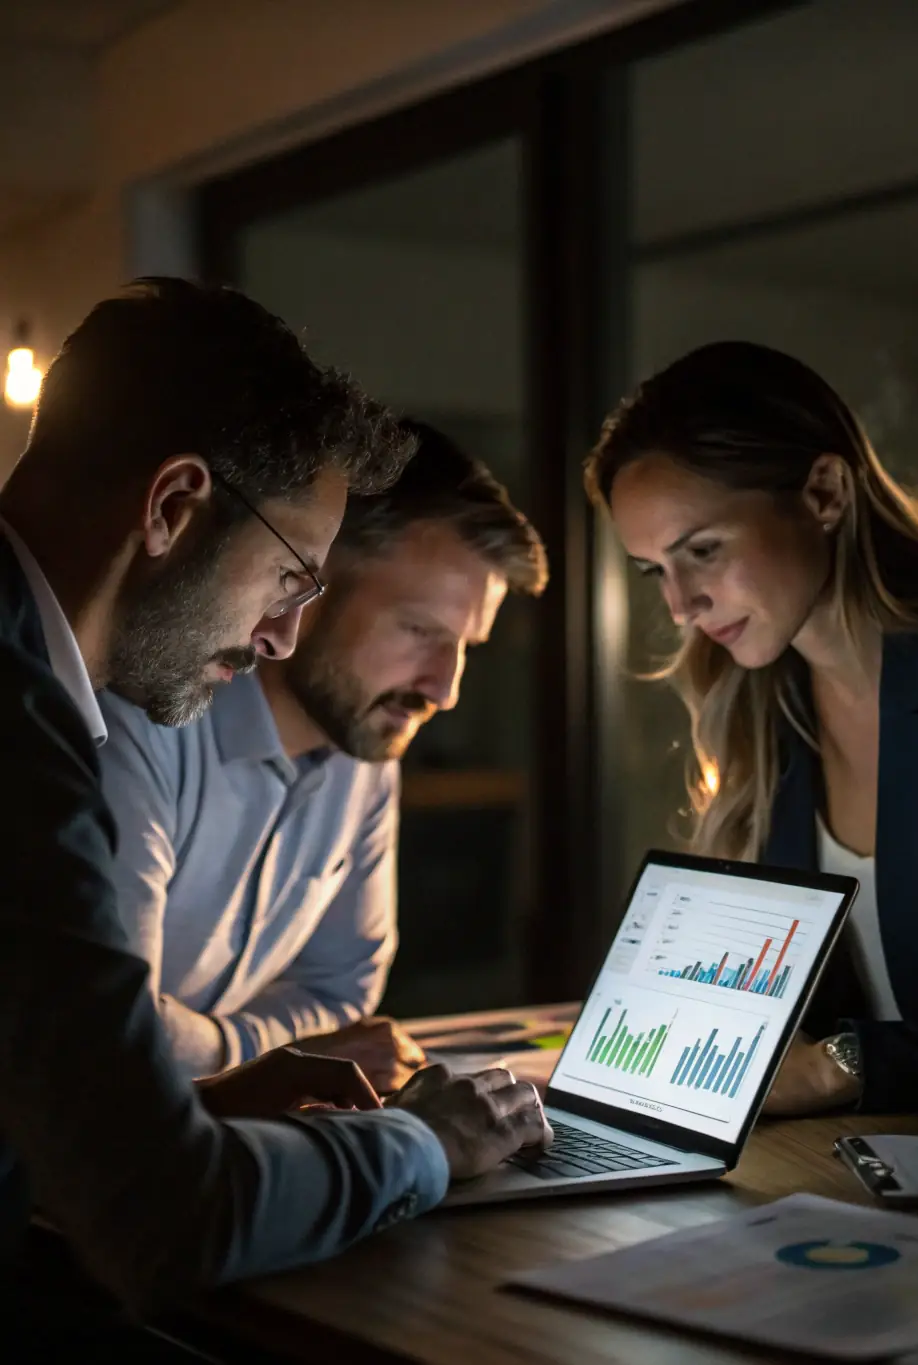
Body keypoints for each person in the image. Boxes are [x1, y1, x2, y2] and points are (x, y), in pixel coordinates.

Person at [0, 278, 551, 1332]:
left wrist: (196, 1102)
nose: (282, 639)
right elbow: (167, 1219)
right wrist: (426, 1142)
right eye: (292, 576)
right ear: (172, 508)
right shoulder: (21, 736)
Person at [585, 338, 918, 1116]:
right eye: (657, 569)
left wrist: (839, 1067)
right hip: (868, 1179)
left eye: (704, 550)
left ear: (824, 492)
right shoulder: (767, 703)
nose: (682, 605)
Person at [98, 419, 548, 1092]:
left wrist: (216, 1050)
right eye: (421, 629)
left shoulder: (363, 757)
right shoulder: (141, 716)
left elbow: (342, 995)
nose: (445, 689)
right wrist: (268, 1057)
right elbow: (114, 1034)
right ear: (306, 584)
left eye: (466, 646)